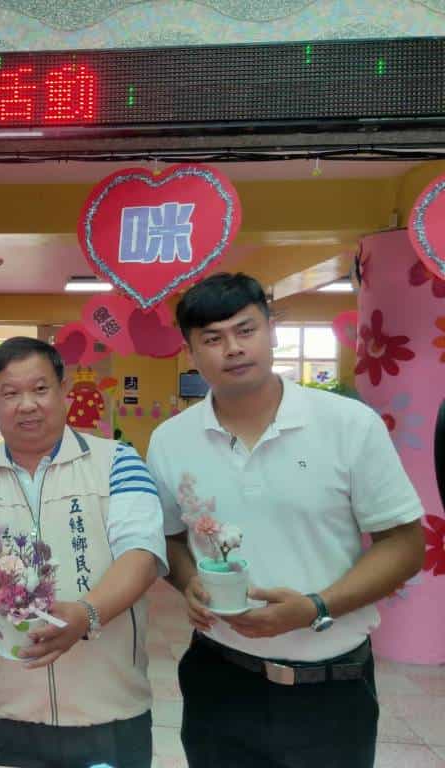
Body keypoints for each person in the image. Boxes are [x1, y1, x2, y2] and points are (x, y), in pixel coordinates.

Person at [146, 272, 425, 768]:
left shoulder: (348, 425)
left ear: (271, 330)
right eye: (212, 338)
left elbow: (404, 544)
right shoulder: (171, 440)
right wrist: (189, 582)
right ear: (190, 353)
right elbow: (168, 538)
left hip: (331, 685)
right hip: (218, 678)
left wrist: (316, 606)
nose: (233, 348)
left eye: (246, 330)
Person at [0, 337, 166, 768]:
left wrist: (86, 614)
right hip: (7, 711)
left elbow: (142, 556)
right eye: (10, 393)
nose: (27, 405)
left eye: (40, 389)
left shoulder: (118, 462)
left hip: (109, 710)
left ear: (63, 391)